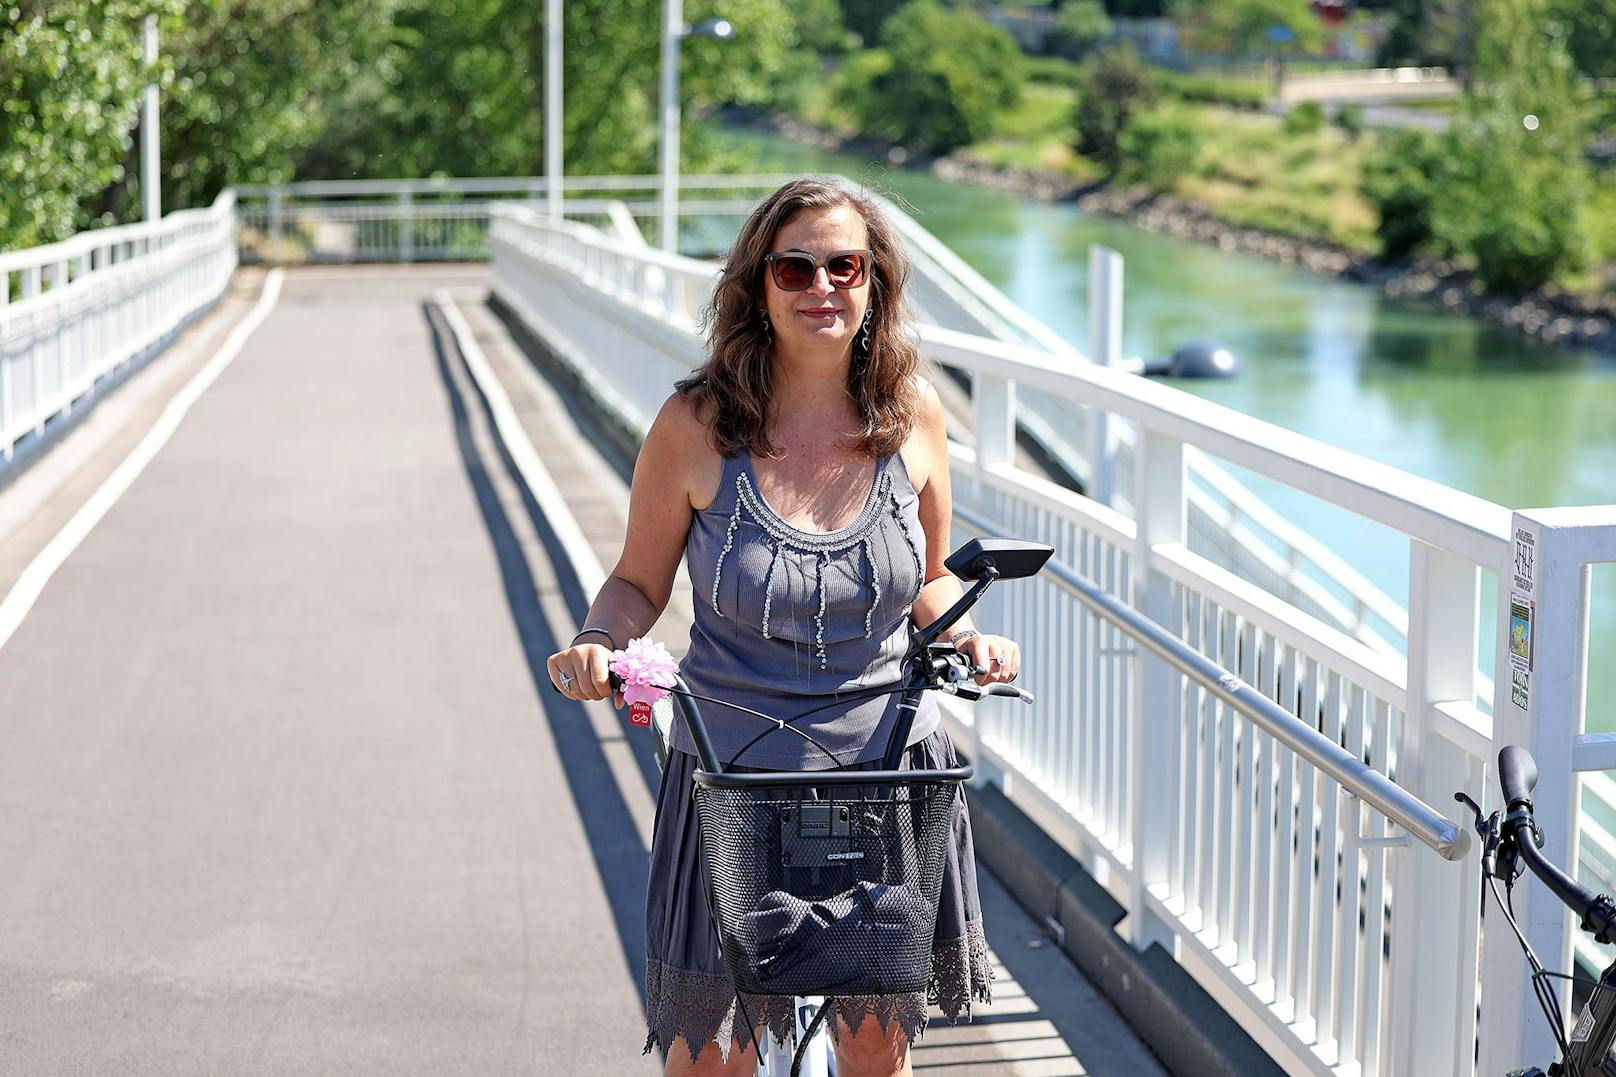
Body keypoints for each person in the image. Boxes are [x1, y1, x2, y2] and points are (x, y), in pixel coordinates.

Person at [545, 177, 1021, 1077]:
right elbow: (636, 582)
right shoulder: (696, 426)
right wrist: (598, 647)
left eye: (845, 265)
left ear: (874, 281)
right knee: (707, 1057)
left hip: (882, 771)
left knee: (874, 1050)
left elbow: (927, 580)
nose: (822, 286)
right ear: (757, 287)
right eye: (795, 267)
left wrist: (966, 636)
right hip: (733, 779)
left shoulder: (911, 416)